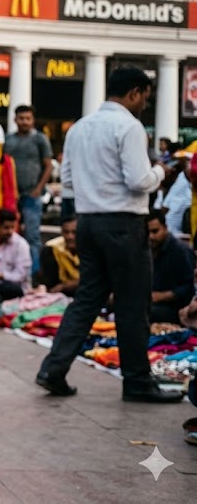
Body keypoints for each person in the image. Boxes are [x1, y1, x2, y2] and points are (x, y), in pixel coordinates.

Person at [36, 66, 183, 403]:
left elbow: (68, 181)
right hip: (123, 224)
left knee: (87, 299)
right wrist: (161, 170)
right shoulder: (129, 127)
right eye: (144, 97)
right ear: (134, 93)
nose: (144, 104)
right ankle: (137, 380)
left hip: (88, 222)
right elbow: (139, 181)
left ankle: (53, 368)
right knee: (133, 303)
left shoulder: (79, 127)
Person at [4, 105, 53, 274]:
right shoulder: (8, 140)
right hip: (11, 196)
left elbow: (48, 166)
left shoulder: (40, 139)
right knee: (9, 235)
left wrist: (38, 189)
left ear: (33, 120)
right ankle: (11, 272)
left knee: (32, 237)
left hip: (32, 195)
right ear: (15, 119)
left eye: (28, 118)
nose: (24, 122)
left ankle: (33, 275)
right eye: (21, 118)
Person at [148, 211, 195, 324]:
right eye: (147, 232)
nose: (151, 236)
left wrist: (162, 296)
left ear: (165, 228)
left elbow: (189, 287)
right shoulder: (144, 250)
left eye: (155, 231)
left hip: (176, 308)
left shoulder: (180, 251)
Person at [0, 209, 32, 302]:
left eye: (12, 227)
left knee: (12, 289)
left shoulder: (21, 244)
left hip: (9, 285)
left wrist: (2, 275)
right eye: (6, 228)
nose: (10, 231)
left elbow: (20, 275)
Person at [39, 216, 79, 296]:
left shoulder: (91, 248)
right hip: (60, 291)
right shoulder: (52, 248)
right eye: (66, 232)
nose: (70, 236)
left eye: (74, 232)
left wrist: (64, 286)